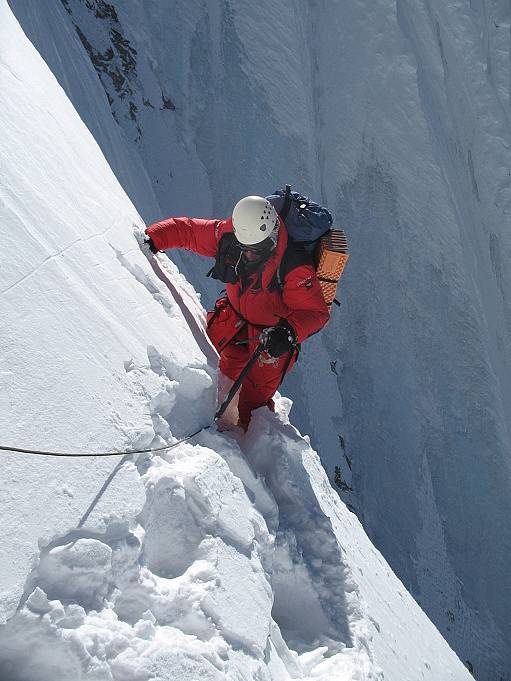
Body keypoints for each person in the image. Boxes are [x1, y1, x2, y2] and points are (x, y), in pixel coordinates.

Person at [145, 195, 330, 430]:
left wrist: (289, 332)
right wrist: (153, 237)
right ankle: (215, 430)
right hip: (231, 322)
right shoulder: (233, 235)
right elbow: (189, 231)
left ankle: (243, 448)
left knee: (250, 409)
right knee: (206, 373)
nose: (248, 255)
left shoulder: (293, 266)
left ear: (270, 237)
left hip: (269, 342)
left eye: (255, 250)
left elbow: (315, 312)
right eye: (245, 248)